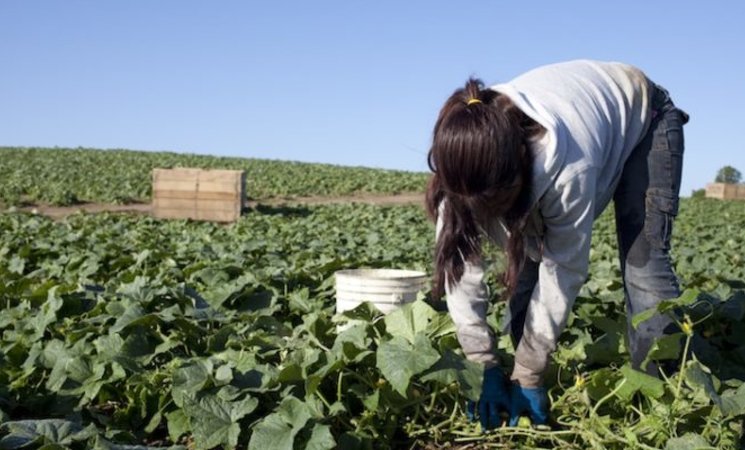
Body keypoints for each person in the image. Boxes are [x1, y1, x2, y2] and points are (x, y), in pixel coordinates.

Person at [425, 60, 689, 430]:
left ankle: (664, 403)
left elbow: (562, 270)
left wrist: (530, 373)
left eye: (496, 205)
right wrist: (480, 364)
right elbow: (461, 273)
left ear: (519, 173)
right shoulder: (461, 172)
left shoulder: (567, 168)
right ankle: (513, 378)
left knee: (644, 267)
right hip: (581, 125)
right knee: (526, 272)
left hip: (645, 120)